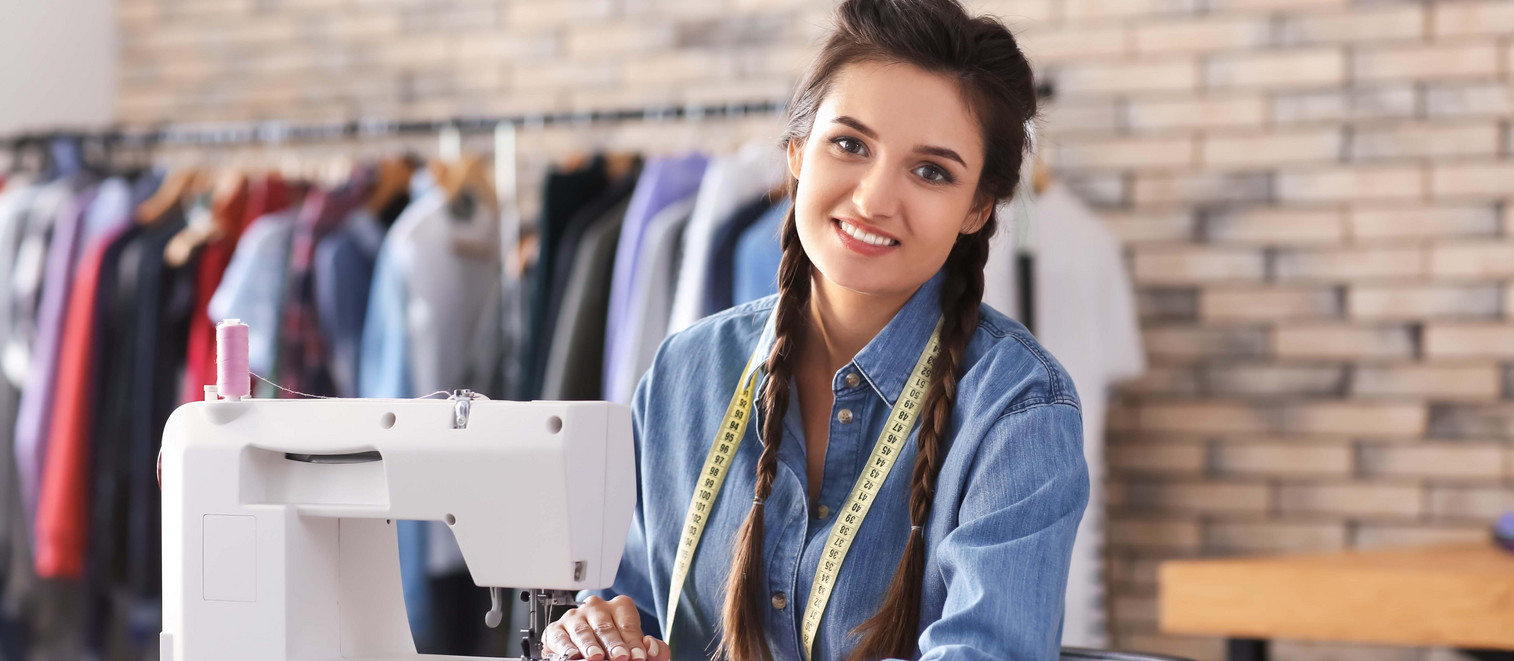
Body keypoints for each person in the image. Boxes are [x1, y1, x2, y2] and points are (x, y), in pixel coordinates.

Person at [544, 0, 1087, 659]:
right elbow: (645, 605)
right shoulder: (684, 373)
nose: (873, 199)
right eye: (850, 144)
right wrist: (600, 631)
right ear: (798, 151)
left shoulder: (1018, 408)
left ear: (977, 208)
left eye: (931, 170)